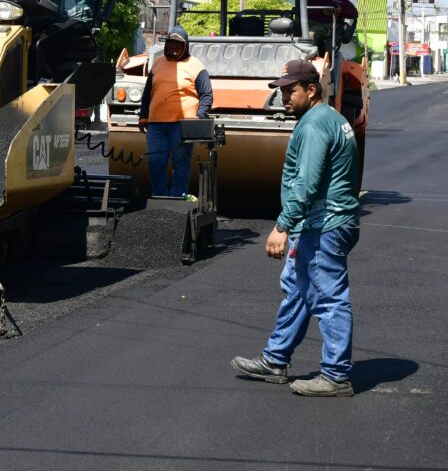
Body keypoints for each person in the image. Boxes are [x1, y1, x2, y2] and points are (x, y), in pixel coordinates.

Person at [231, 58, 361, 397]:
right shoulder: (327, 118)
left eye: (291, 90)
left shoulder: (315, 125)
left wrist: (282, 225)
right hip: (321, 222)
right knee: (299, 290)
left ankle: (335, 376)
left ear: (311, 90)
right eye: (282, 91)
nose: (284, 97)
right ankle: (275, 360)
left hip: (324, 225)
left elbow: (307, 183)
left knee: (329, 298)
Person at [137, 26, 212, 199]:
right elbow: (148, 92)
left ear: (185, 46)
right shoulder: (157, 63)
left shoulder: (195, 65)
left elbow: (206, 94)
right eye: (170, 44)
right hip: (156, 124)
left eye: (177, 45)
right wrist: (143, 116)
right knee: (156, 161)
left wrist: (199, 118)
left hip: (183, 125)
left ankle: (177, 198)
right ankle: (160, 196)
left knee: (180, 163)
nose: (173, 47)